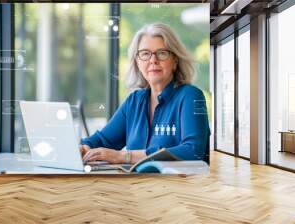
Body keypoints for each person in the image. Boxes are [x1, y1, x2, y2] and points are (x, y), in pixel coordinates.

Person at [81, 23, 210, 165]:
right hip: (137, 185)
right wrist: (84, 148)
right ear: (137, 61)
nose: (153, 60)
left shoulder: (191, 96)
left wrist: (125, 156)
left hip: (180, 185)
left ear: (175, 60)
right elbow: (102, 141)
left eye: (162, 53)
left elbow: (193, 151)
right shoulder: (134, 102)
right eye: (145, 54)